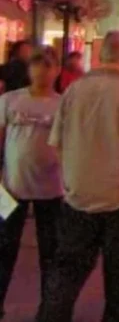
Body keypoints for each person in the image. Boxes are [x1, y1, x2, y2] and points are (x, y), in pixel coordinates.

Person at [39, 31, 119, 322]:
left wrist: (71, 177)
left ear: (100, 56)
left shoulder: (74, 91)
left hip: (78, 193)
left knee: (67, 268)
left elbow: (57, 144)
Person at [0, 47, 62, 319]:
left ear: (56, 70)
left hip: (52, 189)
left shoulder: (63, 104)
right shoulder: (10, 101)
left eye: (48, 66)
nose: (43, 72)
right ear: (30, 70)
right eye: (38, 66)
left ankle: (49, 308)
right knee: (3, 249)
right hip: (11, 187)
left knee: (51, 251)